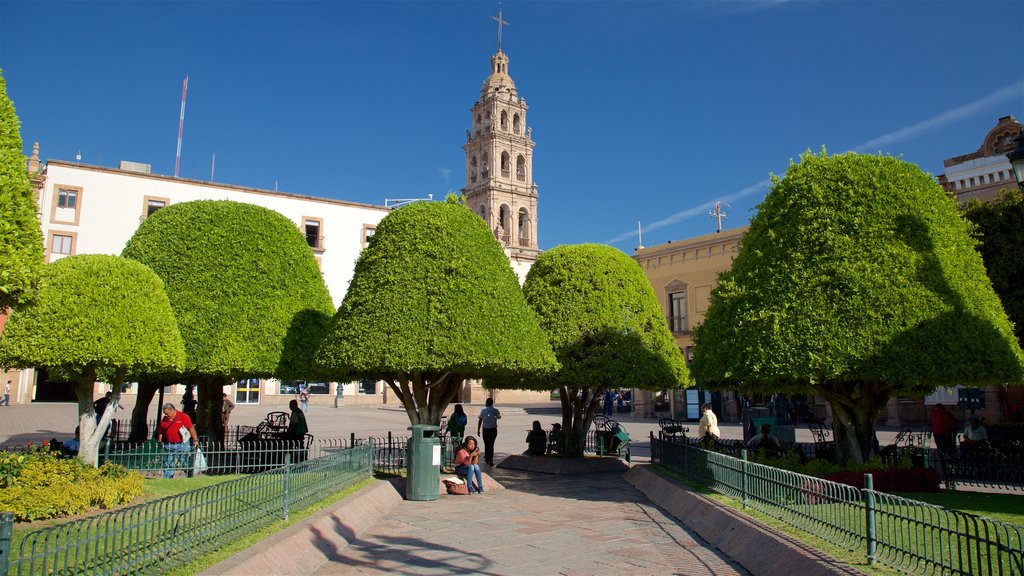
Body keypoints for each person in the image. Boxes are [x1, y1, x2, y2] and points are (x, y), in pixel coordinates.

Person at [157, 403, 198, 479]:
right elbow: (161, 432)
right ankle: (167, 479)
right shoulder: (164, 419)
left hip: (182, 444)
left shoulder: (183, 416)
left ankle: (189, 476)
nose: (166, 415)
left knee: (185, 462)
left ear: (172, 410)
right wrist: (160, 441)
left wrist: (195, 439)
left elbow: (191, 429)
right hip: (168, 444)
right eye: (165, 414)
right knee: (168, 463)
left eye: (167, 413)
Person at [477, 397, 501, 466]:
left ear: (487, 403)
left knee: (486, 444)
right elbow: (499, 417)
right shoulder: (496, 410)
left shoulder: (483, 411)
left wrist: (478, 430)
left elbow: (480, 420)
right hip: (493, 430)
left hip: (486, 430)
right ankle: (490, 458)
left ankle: (487, 457)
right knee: (491, 444)